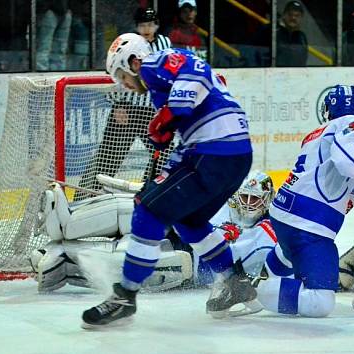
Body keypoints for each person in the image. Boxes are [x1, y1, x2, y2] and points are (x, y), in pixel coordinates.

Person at [79, 34, 254, 328]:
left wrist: (169, 117)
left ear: (132, 62)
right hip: (234, 155)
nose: (123, 84)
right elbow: (180, 126)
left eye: (121, 75)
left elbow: (198, 70)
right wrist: (165, 129)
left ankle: (125, 296)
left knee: (147, 212)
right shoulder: (158, 90)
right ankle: (234, 280)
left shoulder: (152, 63)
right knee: (188, 222)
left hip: (213, 150)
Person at [33, 172, 354, 295]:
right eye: (242, 196)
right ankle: (65, 224)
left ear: (266, 201)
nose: (246, 204)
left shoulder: (271, 232)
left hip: (193, 267)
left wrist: (338, 275)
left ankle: (63, 264)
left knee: (163, 262)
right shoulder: (224, 205)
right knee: (138, 211)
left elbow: (278, 269)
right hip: (187, 234)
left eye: (253, 199)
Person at [253, 84, 354, 318]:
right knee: (320, 302)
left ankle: (265, 276)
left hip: (284, 213)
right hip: (310, 223)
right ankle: (253, 291)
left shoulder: (318, 134)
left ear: (327, 109)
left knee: (289, 250)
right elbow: (349, 162)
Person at [74, 7, 172, 200]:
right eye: (143, 24)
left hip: (151, 112)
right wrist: (117, 104)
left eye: (150, 24)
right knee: (108, 157)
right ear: (136, 26)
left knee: (164, 154)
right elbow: (113, 75)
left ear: (157, 25)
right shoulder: (129, 43)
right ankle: (83, 197)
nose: (147, 28)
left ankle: (150, 195)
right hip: (126, 110)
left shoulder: (165, 43)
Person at [276, 1, 308, 67]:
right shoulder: (271, 32)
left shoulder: (302, 37)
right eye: (290, 14)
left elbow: (302, 61)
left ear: (301, 18)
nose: (293, 18)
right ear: (284, 15)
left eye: (297, 15)